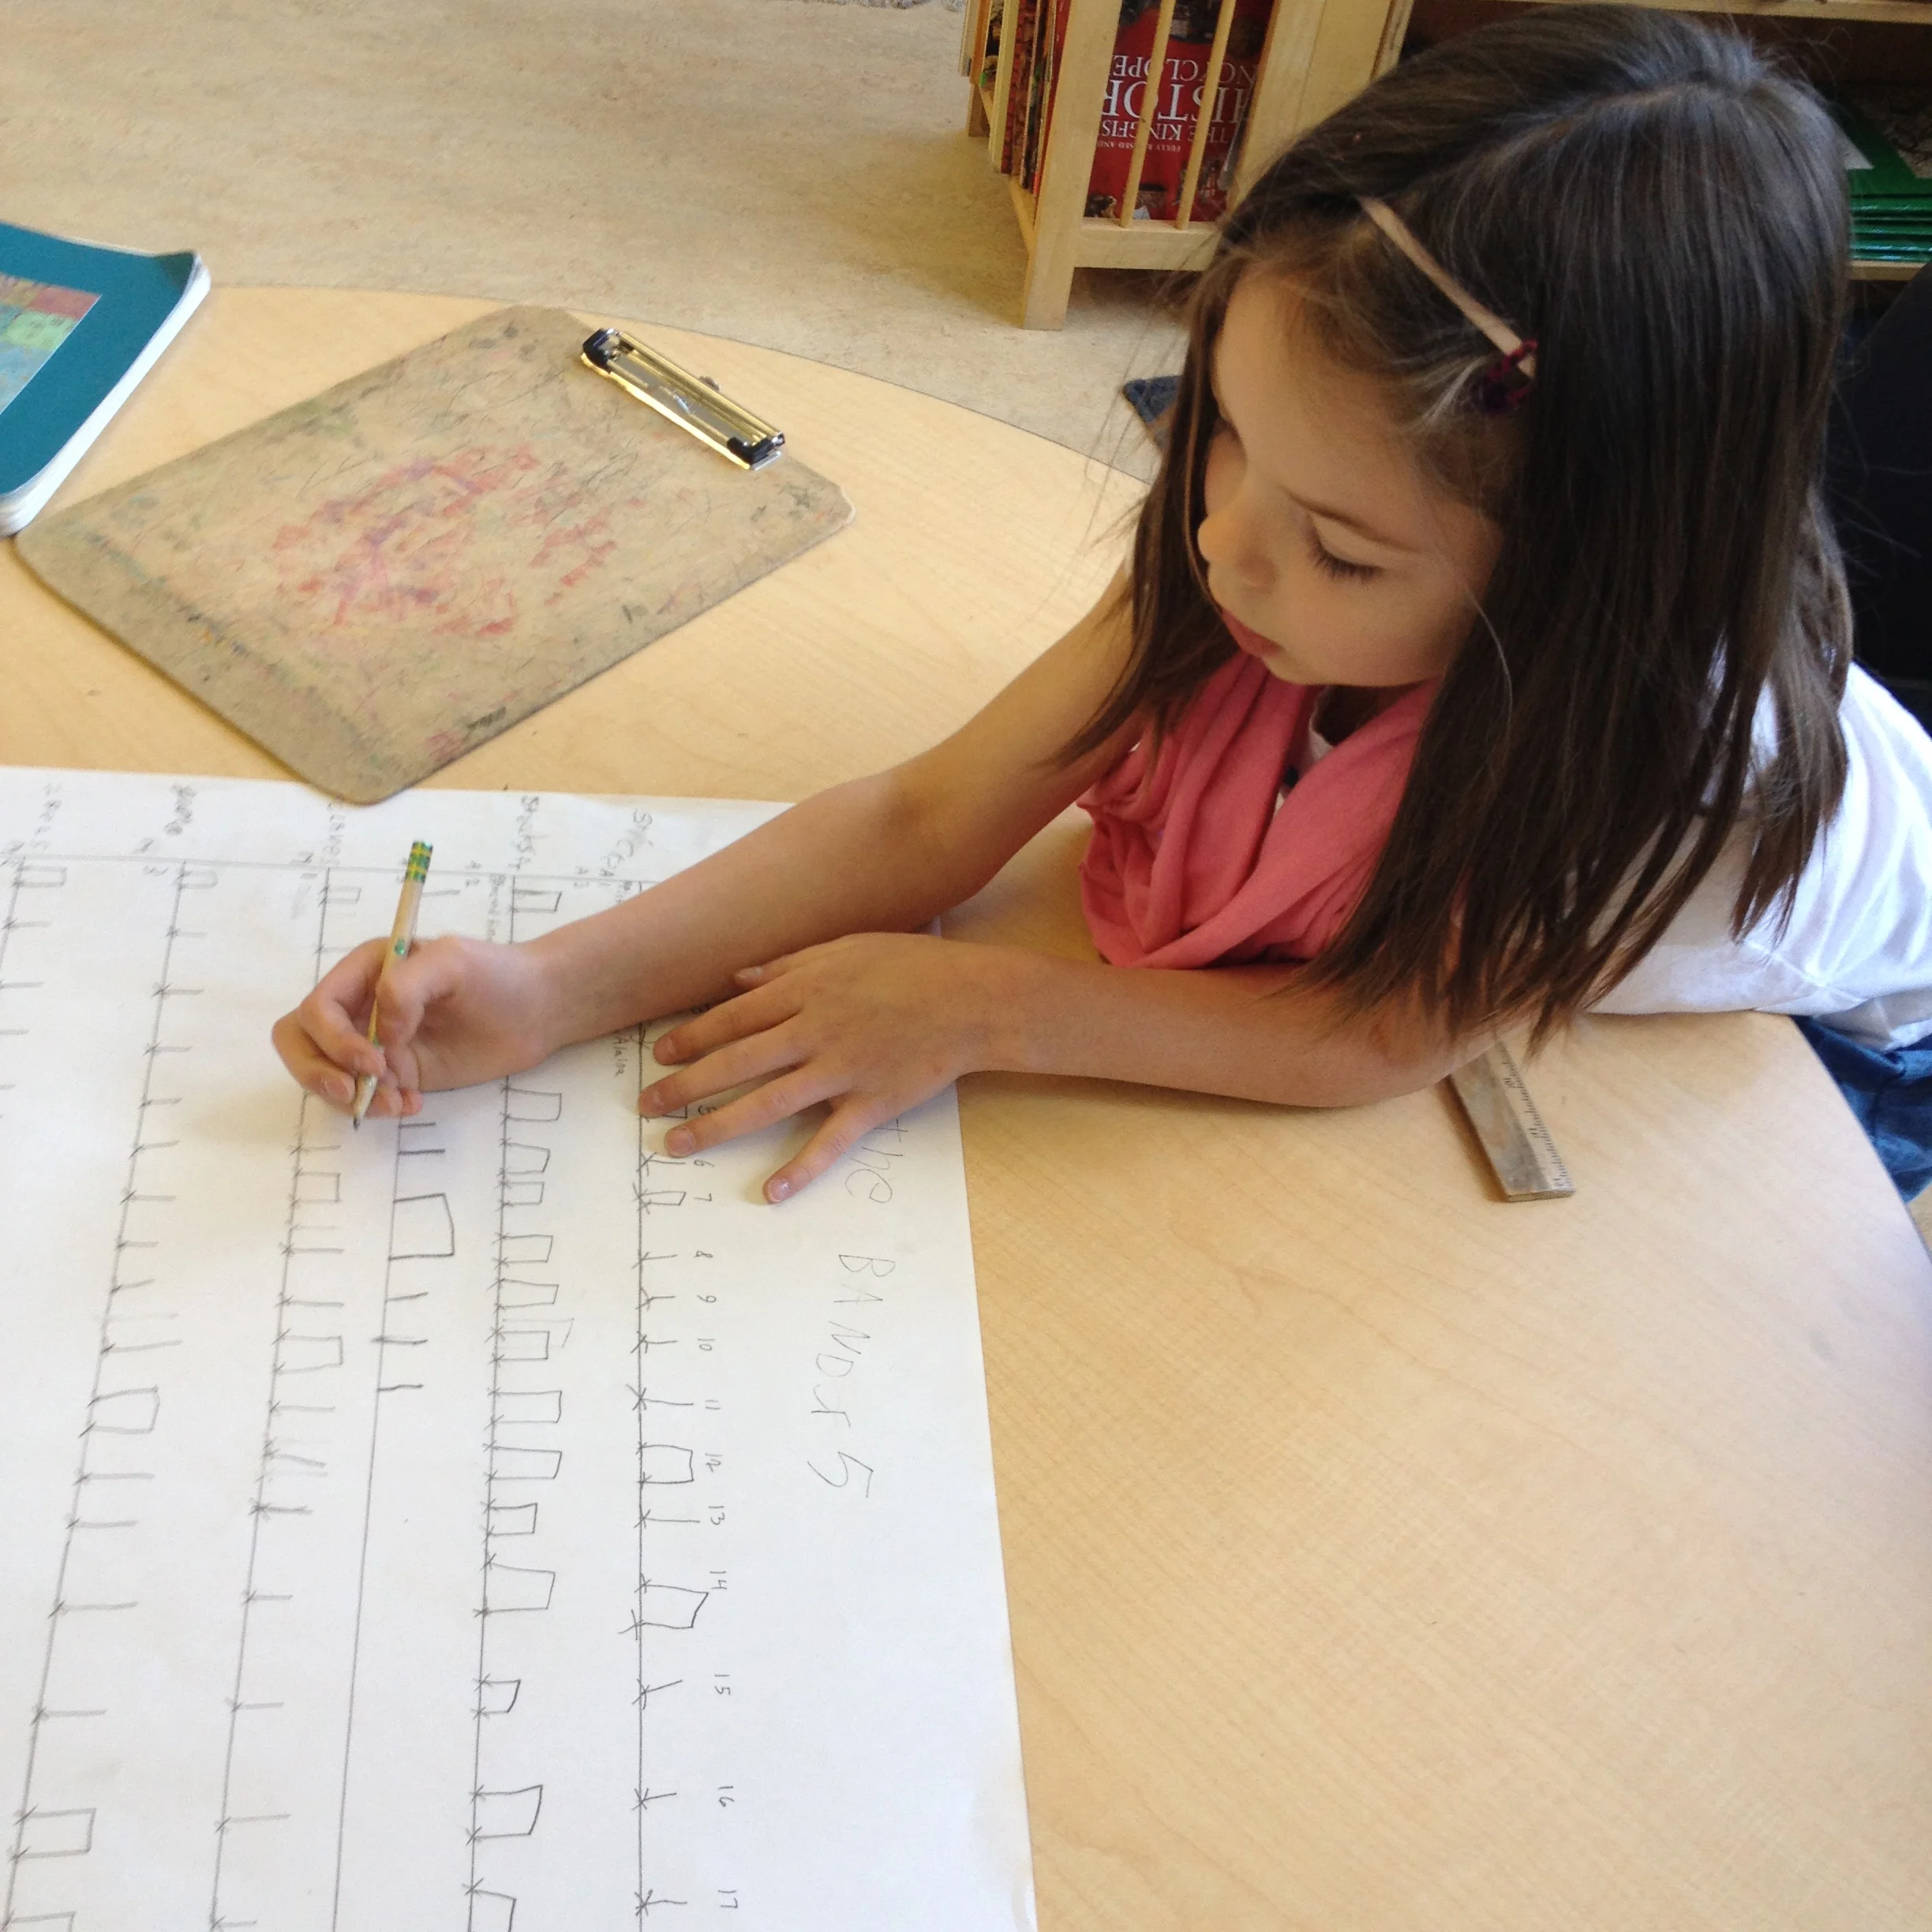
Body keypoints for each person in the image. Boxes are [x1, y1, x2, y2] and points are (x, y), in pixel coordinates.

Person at [274, 6, 1932, 1202]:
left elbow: (1379, 1032)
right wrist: (553, 988)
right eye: (1216, 438)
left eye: (1344, 552)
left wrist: (997, 1005)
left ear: (1578, 578)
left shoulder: (1657, 766)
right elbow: (932, 811)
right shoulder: (1272, 532)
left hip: (1860, 1023)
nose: (1224, 552)